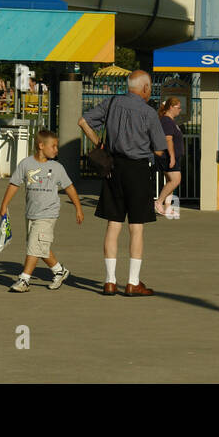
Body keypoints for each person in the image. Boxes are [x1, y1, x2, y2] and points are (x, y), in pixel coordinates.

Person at [79, 69, 171, 296]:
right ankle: (132, 282)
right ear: (145, 88)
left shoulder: (112, 102)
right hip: (138, 170)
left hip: (112, 168)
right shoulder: (149, 113)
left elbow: (83, 121)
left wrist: (99, 144)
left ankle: (109, 281)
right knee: (136, 227)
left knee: (113, 224)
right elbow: (160, 150)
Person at [0, 129, 84, 292]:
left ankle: (24, 280)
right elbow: (14, 184)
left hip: (48, 214)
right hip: (31, 213)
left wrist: (78, 208)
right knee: (39, 246)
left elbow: (70, 187)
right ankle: (60, 271)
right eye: (54, 146)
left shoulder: (57, 167)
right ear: (41, 145)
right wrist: (4, 204)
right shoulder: (26, 164)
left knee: (34, 245)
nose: (56, 150)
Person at [154, 96, 184, 217]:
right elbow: (168, 140)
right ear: (171, 107)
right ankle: (159, 202)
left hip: (173, 156)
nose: (180, 110)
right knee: (176, 180)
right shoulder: (166, 121)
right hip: (168, 156)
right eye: (178, 107)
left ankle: (167, 207)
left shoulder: (170, 121)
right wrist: (172, 157)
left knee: (170, 182)